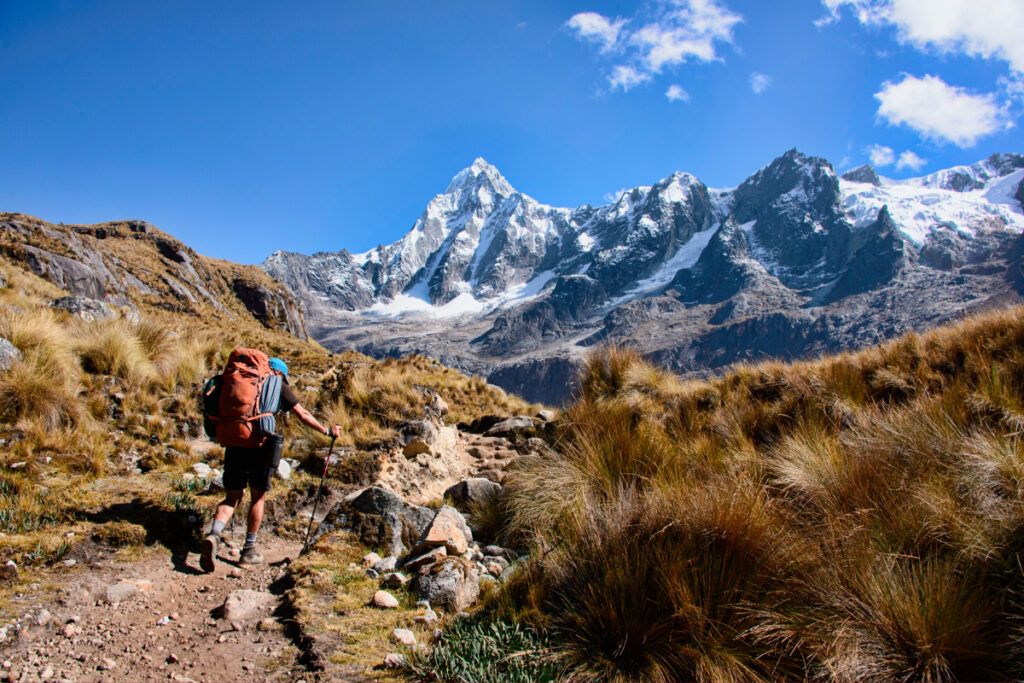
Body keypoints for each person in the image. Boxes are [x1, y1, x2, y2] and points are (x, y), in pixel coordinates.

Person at [200, 357, 342, 571]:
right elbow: (302, 414)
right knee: (258, 496)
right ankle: (248, 550)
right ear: (280, 373)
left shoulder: (241, 382)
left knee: (232, 497)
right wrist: (326, 431)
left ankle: (214, 534)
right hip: (260, 445)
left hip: (235, 442)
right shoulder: (277, 385)